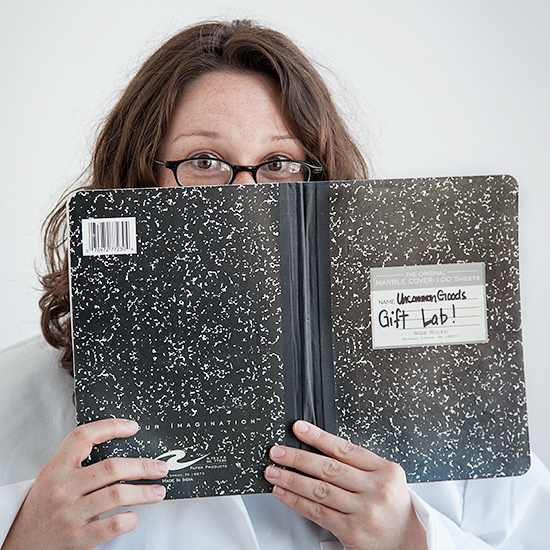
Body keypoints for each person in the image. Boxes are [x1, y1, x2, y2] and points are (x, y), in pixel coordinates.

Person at [1, 18, 549, 550]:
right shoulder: (18, 394)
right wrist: (21, 539)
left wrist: (408, 538)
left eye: (280, 162)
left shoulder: (442, 394)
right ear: (137, 178)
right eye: (205, 160)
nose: (245, 195)